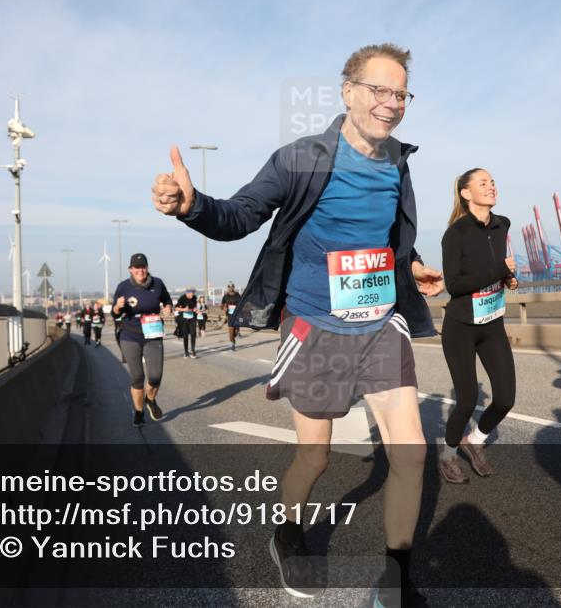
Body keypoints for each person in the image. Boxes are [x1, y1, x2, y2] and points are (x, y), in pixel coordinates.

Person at [152, 43, 444, 607]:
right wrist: (192, 205)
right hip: (316, 324)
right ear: (349, 91)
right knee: (316, 455)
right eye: (379, 90)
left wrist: (410, 265)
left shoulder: (399, 163)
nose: (391, 103)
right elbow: (239, 215)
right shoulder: (300, 158)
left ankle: (395, 579)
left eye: (401, 93)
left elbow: (385, 238)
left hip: (381, 322)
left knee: (410, 455)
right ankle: (287, 531)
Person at [437, 168, 519, 484]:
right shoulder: (455, 233)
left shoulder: (502, 225)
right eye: (482, 183)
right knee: (468, 399)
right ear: (466, 193)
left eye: (493, 182)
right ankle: (447, 457)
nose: (491, 187)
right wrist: (498, 269)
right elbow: (455, 284)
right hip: (461, 326)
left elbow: (497, 271)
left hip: (492, 323)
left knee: (505, 398)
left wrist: (508, 278)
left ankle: (475, 439)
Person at [112, 253, 174, 425]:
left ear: (147, 268)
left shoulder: (158, 283)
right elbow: (114, 313)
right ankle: (138, 412)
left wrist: (168, 307)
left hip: (152, 334)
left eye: (143, 267)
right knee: (137, 377)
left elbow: (167, 300)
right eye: (137, 267)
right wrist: (117, 306)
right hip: (130, 335)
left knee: (155, 376)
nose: (141, 270)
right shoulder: (123, 287)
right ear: (130, 269)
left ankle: (150, 399)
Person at [176, 288, 199, 358]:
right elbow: (176, 308)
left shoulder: (194, 298)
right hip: (184, 319)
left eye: (193, 293)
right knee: (185, 335)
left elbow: (194, 306)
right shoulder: (182, 298)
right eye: (191, 293)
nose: (193, 295)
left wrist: (195, 309)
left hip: (192, 318)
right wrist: (184, 309)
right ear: (187, 293)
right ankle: (186, 351)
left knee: (193, 333)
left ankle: (193, 350)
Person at [220, 282, 242, 351]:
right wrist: (224, 308)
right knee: (231, 331)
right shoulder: (225, 296)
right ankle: (232, 343)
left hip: (237, 315)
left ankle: (236, 334)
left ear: (234, 287)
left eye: (232, 286)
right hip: (229, 315)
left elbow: (241, 303)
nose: (230, 288)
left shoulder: (237, 295)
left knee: (235, 332)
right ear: (228, 288)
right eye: (229, 287)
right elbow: (221, 305)